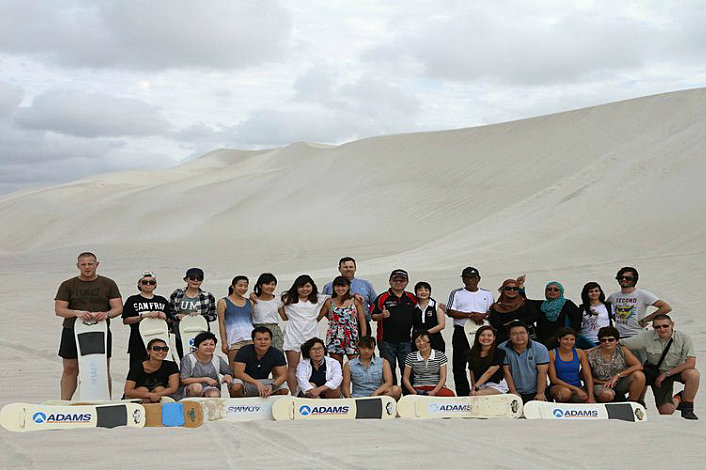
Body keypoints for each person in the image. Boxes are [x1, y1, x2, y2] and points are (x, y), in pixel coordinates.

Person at [54, 252, 123, 400]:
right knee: (70, 368)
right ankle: (65, 402)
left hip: (100, 331)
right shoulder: (68, 285)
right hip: (72, 329)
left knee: (101, 368)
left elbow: (118, 308)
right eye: (83, 264)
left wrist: (106, 314)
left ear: (96, 264)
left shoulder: (108, 284)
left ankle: (105, 400)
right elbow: (59, 310)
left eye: (90, 264)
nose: (87, 267)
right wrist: (76, 312)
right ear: (78, 266)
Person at [622, 315, 699, 419]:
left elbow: (690, 363)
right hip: (657, 373)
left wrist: (667, 373)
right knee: (666, 411)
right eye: (657, 327)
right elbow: (622, 344)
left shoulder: (683, 338)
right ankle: (678, 398)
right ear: (653, 327)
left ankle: (687, 407)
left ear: (672, 325)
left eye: (665, 326)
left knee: (693, 374)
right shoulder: (646, 337)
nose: (662, 329)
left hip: (677, 370)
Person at [446, 267, 494, 396]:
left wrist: (482, 315)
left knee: (481, 363)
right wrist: (470, 315)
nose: (470, 280)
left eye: (473, 278)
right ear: (463, 279)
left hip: (481, 332)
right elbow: (450, 311)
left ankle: (480, 391)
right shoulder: (456, 293)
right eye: (467, 278)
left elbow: (492, 311)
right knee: (459, 365)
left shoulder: (487, 294)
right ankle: (463, 394)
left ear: (479, 279)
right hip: (461, 331)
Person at [280, 275, 328, 395]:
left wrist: (355, 295)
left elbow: (336, 298)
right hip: (293, 334)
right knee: (293, 367)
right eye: (301, 286)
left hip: (311, 334)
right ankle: (294, 394)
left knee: (311, 365)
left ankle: (309, 392)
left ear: (312, 286)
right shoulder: (287, 298)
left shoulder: (319, 298)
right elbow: (282, 315)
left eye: (307, 286)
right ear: (296, 287)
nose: (305, 289)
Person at [370, 269, 417, 385]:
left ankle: (408, 393)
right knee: (389, 369)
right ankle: (392, 393)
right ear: (390, 281)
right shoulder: (382, 297)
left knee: (407, 368)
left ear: (407, 282)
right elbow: (373, 316)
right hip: (386, 341)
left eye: (402, 280)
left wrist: (439, 307)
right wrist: (381, 315)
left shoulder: (412, 297)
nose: (398, 283)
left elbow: (423, 306)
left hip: (406, 340)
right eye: (395, 280)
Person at [121, 271, 171, 370]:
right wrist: (143, 316)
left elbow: (170, 321)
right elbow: (126, 320)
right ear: (139, 284)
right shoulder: (132, 300)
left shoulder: (162, 300)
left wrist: (165, 317)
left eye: (151, 282)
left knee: (161, 369)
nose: (148, 284)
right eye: (144, 282)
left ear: (155, 285)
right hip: (138, 341)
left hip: (160, 341)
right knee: (137, 369)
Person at [607, 266, 671, 338]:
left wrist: (645, 320)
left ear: (634, 280)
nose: (624, 279)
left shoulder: (642, 294)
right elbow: (606, 308)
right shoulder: (613, 296)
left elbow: (666, 307)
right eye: (621, 277)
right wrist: (615, 318)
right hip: (619, 336)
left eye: (628, 278)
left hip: (637, 335)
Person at [587, 326, 645, 403]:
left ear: (617, 341)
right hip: (601, 385)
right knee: (607, 395)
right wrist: (602, 382)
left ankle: (632, 403)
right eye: (603, 340)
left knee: (639, 375)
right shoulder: (591, 355)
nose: (607, 342)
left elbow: (638, 365)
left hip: (619, 382)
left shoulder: (622, 350)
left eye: (610, 340)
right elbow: (584, 376)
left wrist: (618, 375)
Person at [322, 257, 377, 338]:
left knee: (363, 346)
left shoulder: (366, 284)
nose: (348, 269)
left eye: (351, 267)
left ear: (355, 268)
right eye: (345, 267)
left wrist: (373, 315)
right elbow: (322, 305)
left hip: (362, 325)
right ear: (339, 269)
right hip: (338, 326)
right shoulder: (329, 286)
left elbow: (375, 303)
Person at [169, 267, 217, 358]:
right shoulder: (177, 293)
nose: (195, 280)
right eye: (192, 278)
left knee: (202, 359)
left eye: (199, 278)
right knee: (184, 358)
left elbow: (213, 315)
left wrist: (200, 317)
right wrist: (177, 315)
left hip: (201, 334)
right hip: (181, 333)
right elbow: (169, 311)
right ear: (186, 279)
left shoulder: (207, 296)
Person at [318, 276, 367, 364]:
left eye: (343, 286)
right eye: (337, 286)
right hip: (334, 337)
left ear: (348, 287)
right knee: (336, 365)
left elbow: (362, 321)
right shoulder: (329, 302)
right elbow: (318, 317)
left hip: (352, 336)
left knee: (354, 365)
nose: (340, 289)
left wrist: (363, 338)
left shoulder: (355, 301)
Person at [231, 326, 289, 397]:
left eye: (266, 339)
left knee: (284, 389)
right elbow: (238, 373)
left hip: (264, 382)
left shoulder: (277, 353)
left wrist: (272, 386)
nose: (263, 342)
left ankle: (271, 403)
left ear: (271, 341)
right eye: (259, 339)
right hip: (245, 382)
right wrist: (257, 383)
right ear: (253, 340)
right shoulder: (244, 351)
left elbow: (284, 375)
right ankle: (239, 404)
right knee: (236, 386)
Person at [500, 321, 549, 404]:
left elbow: (542, 372)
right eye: (514, 334)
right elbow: (506, 372)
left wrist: (540, 393)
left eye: (522, 333)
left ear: (528, 333)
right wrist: (513, 392)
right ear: (509, 335)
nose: (519, 336)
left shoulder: (540, 348)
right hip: (512, 391)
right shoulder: (502, 348)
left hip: (537, 391)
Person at [180, 331, 235, 398]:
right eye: (205, 345)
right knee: (197, 388)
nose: (209, 347)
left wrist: (228, 376)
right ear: (197, 346)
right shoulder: (189, 358)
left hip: (210, 387)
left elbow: (229, 372)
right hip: (191, 387)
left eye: (211, 344)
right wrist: (205, 379)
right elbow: (184, 380)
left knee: (214, 394)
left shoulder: (217, 359)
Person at [124, 338, 179, 403]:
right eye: (156, 349)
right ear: (148, 351)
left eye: (165, 349)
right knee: (143, 389)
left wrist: (157, 395)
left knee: (160, 388)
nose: (161, 351)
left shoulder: (171, 365)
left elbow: (173, 388)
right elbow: (128, 391)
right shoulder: (137, 366)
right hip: (138, 397)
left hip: (159, 395)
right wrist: (149, 395)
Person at [217, 275, 254, 370]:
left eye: (245, 286)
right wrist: (224, 342)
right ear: (233, 286)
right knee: (234, 370)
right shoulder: (223, 302)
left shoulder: (250, 302)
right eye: (240, 285)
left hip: (250, 339)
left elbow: (252, 321)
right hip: (234, 340)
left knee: (250, 369)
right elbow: (222, 323)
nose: (243, 288)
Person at [488, 276, 540, 344]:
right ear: (503, 290)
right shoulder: (497, 307)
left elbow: (534, 316)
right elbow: (496, 324)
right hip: (506, 340)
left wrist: (517, 321)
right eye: (508, 288)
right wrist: (513, 325)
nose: (512, 291)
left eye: (515, 288)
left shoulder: (525, 303)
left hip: (529, 338)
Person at [547, 327, 594, 403]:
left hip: (577, 386)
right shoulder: (552, 354)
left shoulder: (580, 353)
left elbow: (587, 375)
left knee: (583, 397)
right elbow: (553, 379)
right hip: (558, 387)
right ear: (559, 339)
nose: (569, 342)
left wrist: (591, 397)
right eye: (566, 339)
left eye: (572, 339)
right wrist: (576, 389)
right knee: (565, 394)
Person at [402, 329, 455, 396]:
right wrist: (413, 391)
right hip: (418, 388)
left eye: (424, 341)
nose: (421, 343)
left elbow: (443, 378)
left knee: (449, 394)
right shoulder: (411, 356)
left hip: (436, 388)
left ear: (430, 341)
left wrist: (434, 392)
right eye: (418, 341)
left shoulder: (440, 355)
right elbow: (405, 378)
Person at [467, 325, 509, 395]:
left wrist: (475, 386)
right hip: (480, 385)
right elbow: (472, 373)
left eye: (489, 335)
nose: (486, 338)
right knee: (473, 394)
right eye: (482, 335)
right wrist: (473, 388)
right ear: (477, 337)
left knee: (477, 394)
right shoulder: (472, 353)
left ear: (494, 338)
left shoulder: (499, 352)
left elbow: (490, 372)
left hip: (496, 385)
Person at [251, 273, 284, 350]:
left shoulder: (278, 300)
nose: (270, 287)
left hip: (274, 331)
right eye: (267, 284)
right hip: (257, 330)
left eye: (273, 284)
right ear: (260, 285)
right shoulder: (253, 300)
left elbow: (284, 317)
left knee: (276, 353)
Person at [577, 282, 614, 348]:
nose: (594, 293)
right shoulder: (582, 308)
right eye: (591, 291)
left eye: (596, 291)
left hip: (605, 340)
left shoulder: (608, 306)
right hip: (588, 340)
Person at [412, 281, 446, 352]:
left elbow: (442, 325)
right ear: (416, 292)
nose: (423, 292)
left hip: (435, 340)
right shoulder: (413, 307)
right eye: (420, 290)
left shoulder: (436, 306)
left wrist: (425, 333)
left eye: (426, 290)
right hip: (418, 341)